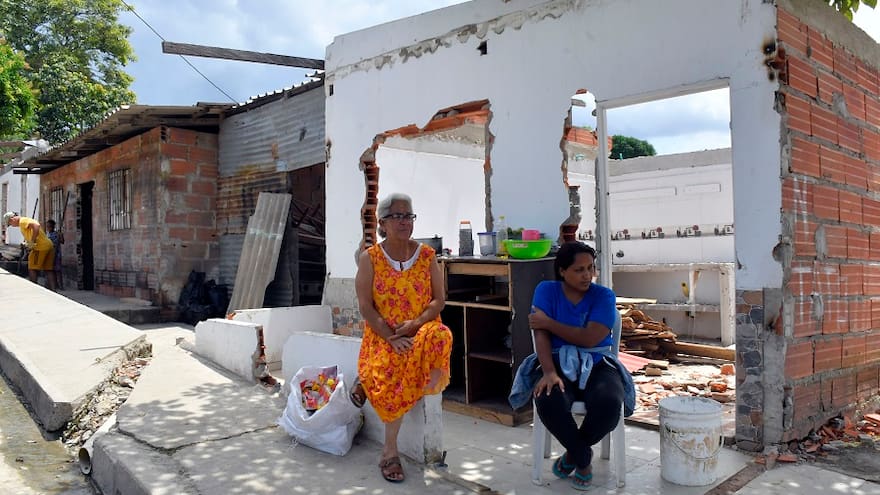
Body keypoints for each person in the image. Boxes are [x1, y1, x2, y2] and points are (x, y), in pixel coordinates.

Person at [509, 241, 634, 491]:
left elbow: (591, 338)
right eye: (579, 270)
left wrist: (549, 323)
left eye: (590, 268)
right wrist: (548, 371)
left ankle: (573, 456)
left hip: (598, 363)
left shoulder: (603, 296)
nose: (587, 275)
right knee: (547, 399)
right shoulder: (546, 291)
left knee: (610, 402)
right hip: (554, 362)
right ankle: (584, 459)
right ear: (562, 271)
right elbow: (540, 334)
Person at [351, 193, 453, 483]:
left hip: (419, 329)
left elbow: (438, 301)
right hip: (382, 333)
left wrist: (416, 323)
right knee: (393, 362)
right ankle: (390, 451)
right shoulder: (369, 259)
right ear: (382, 222)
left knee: (441, 334)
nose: (404, 222)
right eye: (397, 216)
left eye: (408, 216)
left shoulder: (426, 256)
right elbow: (365, 306)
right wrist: (390, 335)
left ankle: (402, 381)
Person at [4, 212, 56, 291]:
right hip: (48, 245)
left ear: (12, 219)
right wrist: (27, 243)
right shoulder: (25, 221)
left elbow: (36, 226)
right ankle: (53, 290)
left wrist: (32, 242)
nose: (12, 226)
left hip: (39, 247)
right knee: (48, 269)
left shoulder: (22, 221)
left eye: (10, 224)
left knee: (32, 268)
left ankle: (34, 289)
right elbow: (34, 232)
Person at [46, 219, 64, 289]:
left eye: (50, 226)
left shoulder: (57, 234)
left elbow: (62, 241)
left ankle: (61, 285)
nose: (48, 228)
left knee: (58, 270)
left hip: (57, 254)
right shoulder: (46, 235)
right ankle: (53, 284)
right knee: (50, 270)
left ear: (53, 226)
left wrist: (61, 235)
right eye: (47, 226)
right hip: (49, 254)